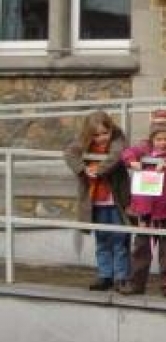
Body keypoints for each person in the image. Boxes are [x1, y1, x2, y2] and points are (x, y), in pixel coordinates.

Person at [118, 111, 166, 298]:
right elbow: (127, 152)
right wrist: (131, 161)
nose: (163, 143)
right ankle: (136, 283)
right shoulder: (145, 149)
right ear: (152, 139)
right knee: (141, 249)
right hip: (145, 211)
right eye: (159, 139)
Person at [64, 110, 131, 291]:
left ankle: (121, 277)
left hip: (116, 200)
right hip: (96, 201)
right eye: (96, 135)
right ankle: (105, 275)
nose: (101, 138)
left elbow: (117, 155)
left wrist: (98, 169)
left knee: (120, 239)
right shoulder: (84, 143)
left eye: (104, 133)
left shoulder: (118, 139)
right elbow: (70, 153)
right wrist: (83, 169)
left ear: (111, 130)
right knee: (102, 239)